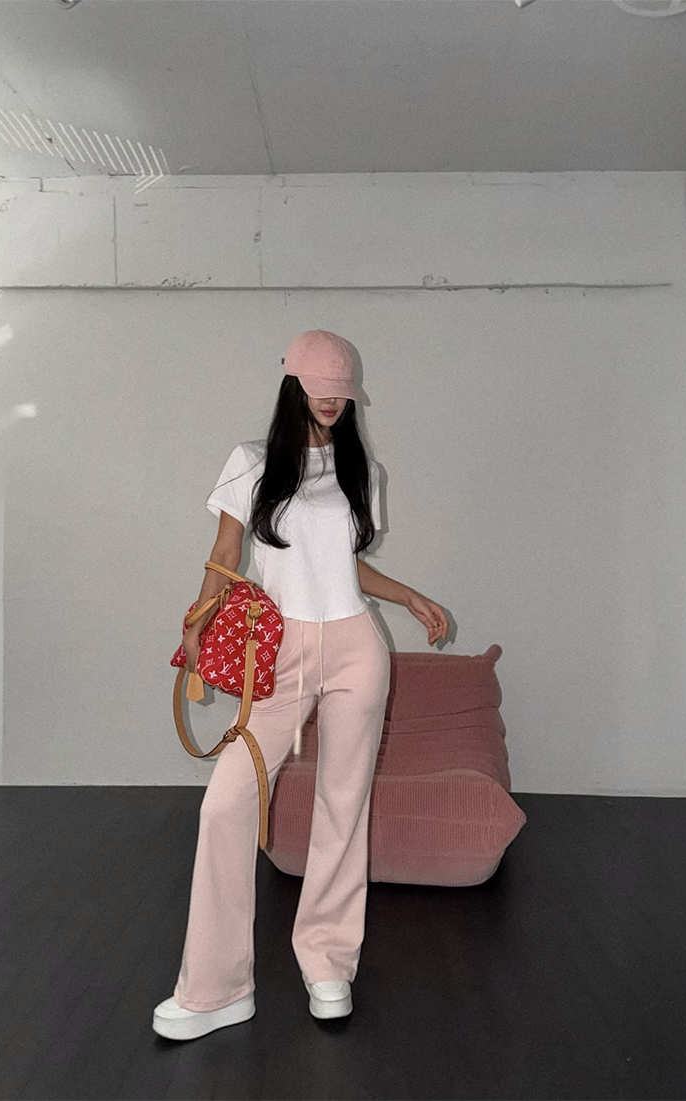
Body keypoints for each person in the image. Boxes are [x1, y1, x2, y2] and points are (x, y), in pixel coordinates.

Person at [153, 329, 448, 1042]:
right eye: (321, 388)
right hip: (278, 651)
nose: (332, 401)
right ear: (293, 385)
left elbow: (345, 566)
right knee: (225, 805)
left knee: (343, 805)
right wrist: (197, 622)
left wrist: (408, 595)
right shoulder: (251, 462)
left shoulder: (361, 469)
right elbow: (226, 553)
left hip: (356, 648)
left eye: (342, 392)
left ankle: (328, 962)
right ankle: (217, 988)